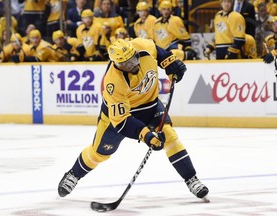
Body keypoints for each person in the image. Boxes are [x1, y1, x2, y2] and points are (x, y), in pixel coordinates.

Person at [58, 38, 209, 201]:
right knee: (99, 154)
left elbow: (159, 52)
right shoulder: (113, 83)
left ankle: (191, 178)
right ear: (116, 64)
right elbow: (122, 121)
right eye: (126, 64)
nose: (133, 65)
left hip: (150, 106)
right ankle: (74, 174)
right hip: (116, 118)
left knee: (169, 136)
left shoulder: (144, 47)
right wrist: (146, 136)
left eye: (133, 59)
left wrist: (170, 64)